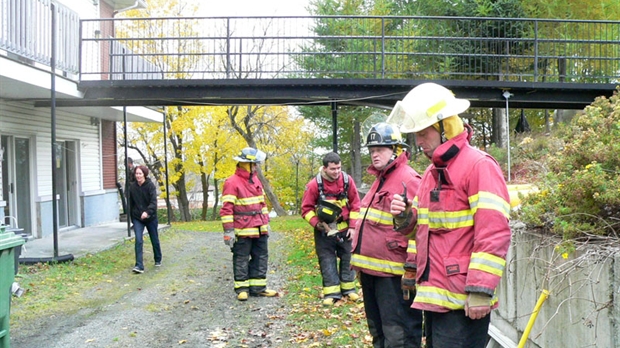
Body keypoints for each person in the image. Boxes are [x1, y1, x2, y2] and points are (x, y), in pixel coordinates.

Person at [388, 82, 512, 348]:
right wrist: (406, 217)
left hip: (464, 302)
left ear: (445, 127)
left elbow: (494, 233)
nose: (418, 142)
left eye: (423, 133)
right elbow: (422, 230)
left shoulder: (479, 166)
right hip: (436, 300)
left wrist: (480, 290)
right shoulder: (433, 173)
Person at [350, 122, 423, 348]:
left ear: (396, 150)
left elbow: (419, 227)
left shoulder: (408, 179)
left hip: (393, 276)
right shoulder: (380, 180)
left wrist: (411, 269)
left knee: (399, 335)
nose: (374, 155)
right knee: (379, 332)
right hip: (373, 273)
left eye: (380, 149)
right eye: (372, 150)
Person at [301, 152, 362, 306]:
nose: (336, 172)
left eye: (339, 168)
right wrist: (317, 224)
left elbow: (356, 204)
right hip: (324, 231)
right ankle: (331, 292)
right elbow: (306, 209)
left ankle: (349, 290)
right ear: (325, 168)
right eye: (333, 169)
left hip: (346, 228)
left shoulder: (347, 181)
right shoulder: (314, 185)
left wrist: (353, 227)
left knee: (348, 258)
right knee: (327, 260)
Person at [220, 147, 278, 301]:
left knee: (261, 257)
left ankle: (258, 288)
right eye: (254, 164)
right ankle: (242, 288)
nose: (257, 166)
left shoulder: (255, 179)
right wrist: (228, 231)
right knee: (241, 257)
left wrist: (266, 222)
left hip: (259, 228)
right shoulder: (231, 182)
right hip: (242, 229)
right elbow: (226, 209)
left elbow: (262, 203)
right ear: (246, 164)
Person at [128, 165, 162, 274]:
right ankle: (139, 265)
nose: (138, 176)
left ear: (144, 174)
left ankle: (158, 258)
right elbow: (130, 204)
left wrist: (147, 212)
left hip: (150, 217)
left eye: (140, 174)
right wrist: (133, 218)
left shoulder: (150, 186)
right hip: (138, 218)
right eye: (136, 174)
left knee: (154, 239)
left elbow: (153, 202)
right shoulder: (132, 187)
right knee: (138, 239)